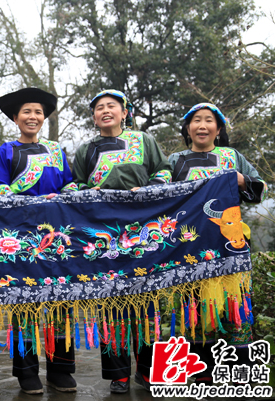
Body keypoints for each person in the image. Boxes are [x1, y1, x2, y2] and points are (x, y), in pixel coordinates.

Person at [72, 89, 172, 394]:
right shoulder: (86, 149)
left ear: (124, 112)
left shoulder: (144, 140)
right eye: (99, 108)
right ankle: (119, 373)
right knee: (111, 301)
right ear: (94, 117)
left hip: (143, 229)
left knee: (146, 301)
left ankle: (148, 370)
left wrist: (149, 189)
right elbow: (74, 184)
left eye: (111, 106)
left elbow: (163, 170)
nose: (105, 111)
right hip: (104, 232)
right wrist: (87, 192)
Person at [169, 102, 267, 383]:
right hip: (189, 248)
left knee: (235, 307)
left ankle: (240, 373)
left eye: (209, 120)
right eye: (196, 120)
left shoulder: (232, 156)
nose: (202, 126)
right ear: (188, 129)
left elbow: (260, 188)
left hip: (230, 245)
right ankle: (203, 374)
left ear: (219, 129)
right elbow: (159, 192)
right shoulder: (175, 161)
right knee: (195, 308)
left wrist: (241, 180)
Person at [0, 87, 78, 395]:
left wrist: (64, 195)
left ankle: (60, 369)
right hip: (21, 236)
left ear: (44, 118)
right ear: (16, 118)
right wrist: (21, 200)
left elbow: (69, 184)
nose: (33, 116)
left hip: (56, 236)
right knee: (24, 302)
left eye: (38, 112)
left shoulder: (56, 150)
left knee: (60, 301)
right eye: (26, 111)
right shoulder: (6, 151)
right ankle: (27, 372)